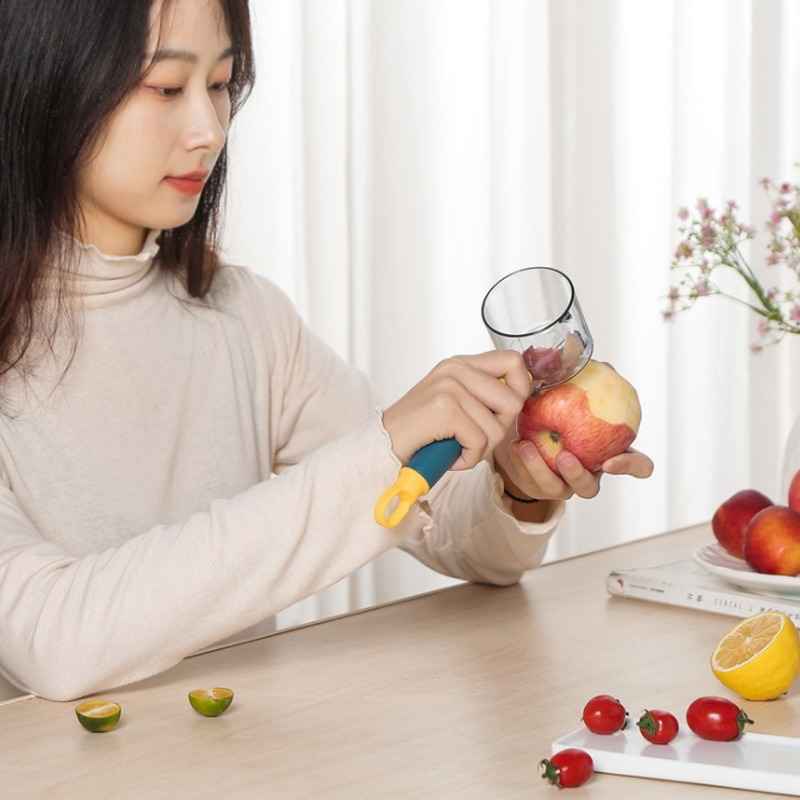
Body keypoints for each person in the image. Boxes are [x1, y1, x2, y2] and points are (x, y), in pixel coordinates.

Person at [0, 0, 653, 702]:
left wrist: (517, 488)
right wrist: (380, 449)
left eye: (221, 84)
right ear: (49, 84)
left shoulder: (241, 315)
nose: (210, 130)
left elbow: (455, 539)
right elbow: (53, 643)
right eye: (166, 87)